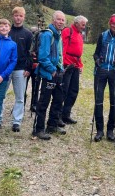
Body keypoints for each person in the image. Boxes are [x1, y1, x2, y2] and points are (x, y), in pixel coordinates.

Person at [32, 10, 67, 140]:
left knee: (58, 99)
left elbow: (59, 55)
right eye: (59, 19)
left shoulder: (59, 35)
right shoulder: (48, 35)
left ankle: (52, 124)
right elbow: (42, 56)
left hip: (57, 72)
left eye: (63, 20)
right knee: (44, 102)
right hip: (48, 73)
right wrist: (52, 70)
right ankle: (38, 129)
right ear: (53, 20)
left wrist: (60, 69)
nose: (61, 22)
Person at [92, 14, 115, 142]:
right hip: (101, 71)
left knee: (114, 102)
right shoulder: (103, 35)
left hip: (114, 73)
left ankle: (110, 130)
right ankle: (99, 130)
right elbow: (96, 52)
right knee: (98, 101)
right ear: (109, 23)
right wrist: (96, 61)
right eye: (113, 23)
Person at [6, 7, 33, 133]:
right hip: (5, 68)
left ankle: (17, 121)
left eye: (21, 16)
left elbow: (31, 52)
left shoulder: (28, 34)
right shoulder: (6, 31)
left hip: (20, 69)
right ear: (13, 16)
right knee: (1, 95)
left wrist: (29, 67)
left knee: (20, 96)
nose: (18, 18)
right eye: (16, 15)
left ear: (24, 17)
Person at [60, 15, 88, 124]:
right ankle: (57, 116)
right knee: (64, 90)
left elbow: (79, 52)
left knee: (73, 91)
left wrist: (80, 65)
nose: (84, 27)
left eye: (84, 25)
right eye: (83, 24)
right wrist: (63, 64)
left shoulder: (79, 34)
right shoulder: (68, 31)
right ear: (76, 23)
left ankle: (66, 114)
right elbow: (63, 47)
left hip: (75, 66)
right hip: (67, 65)